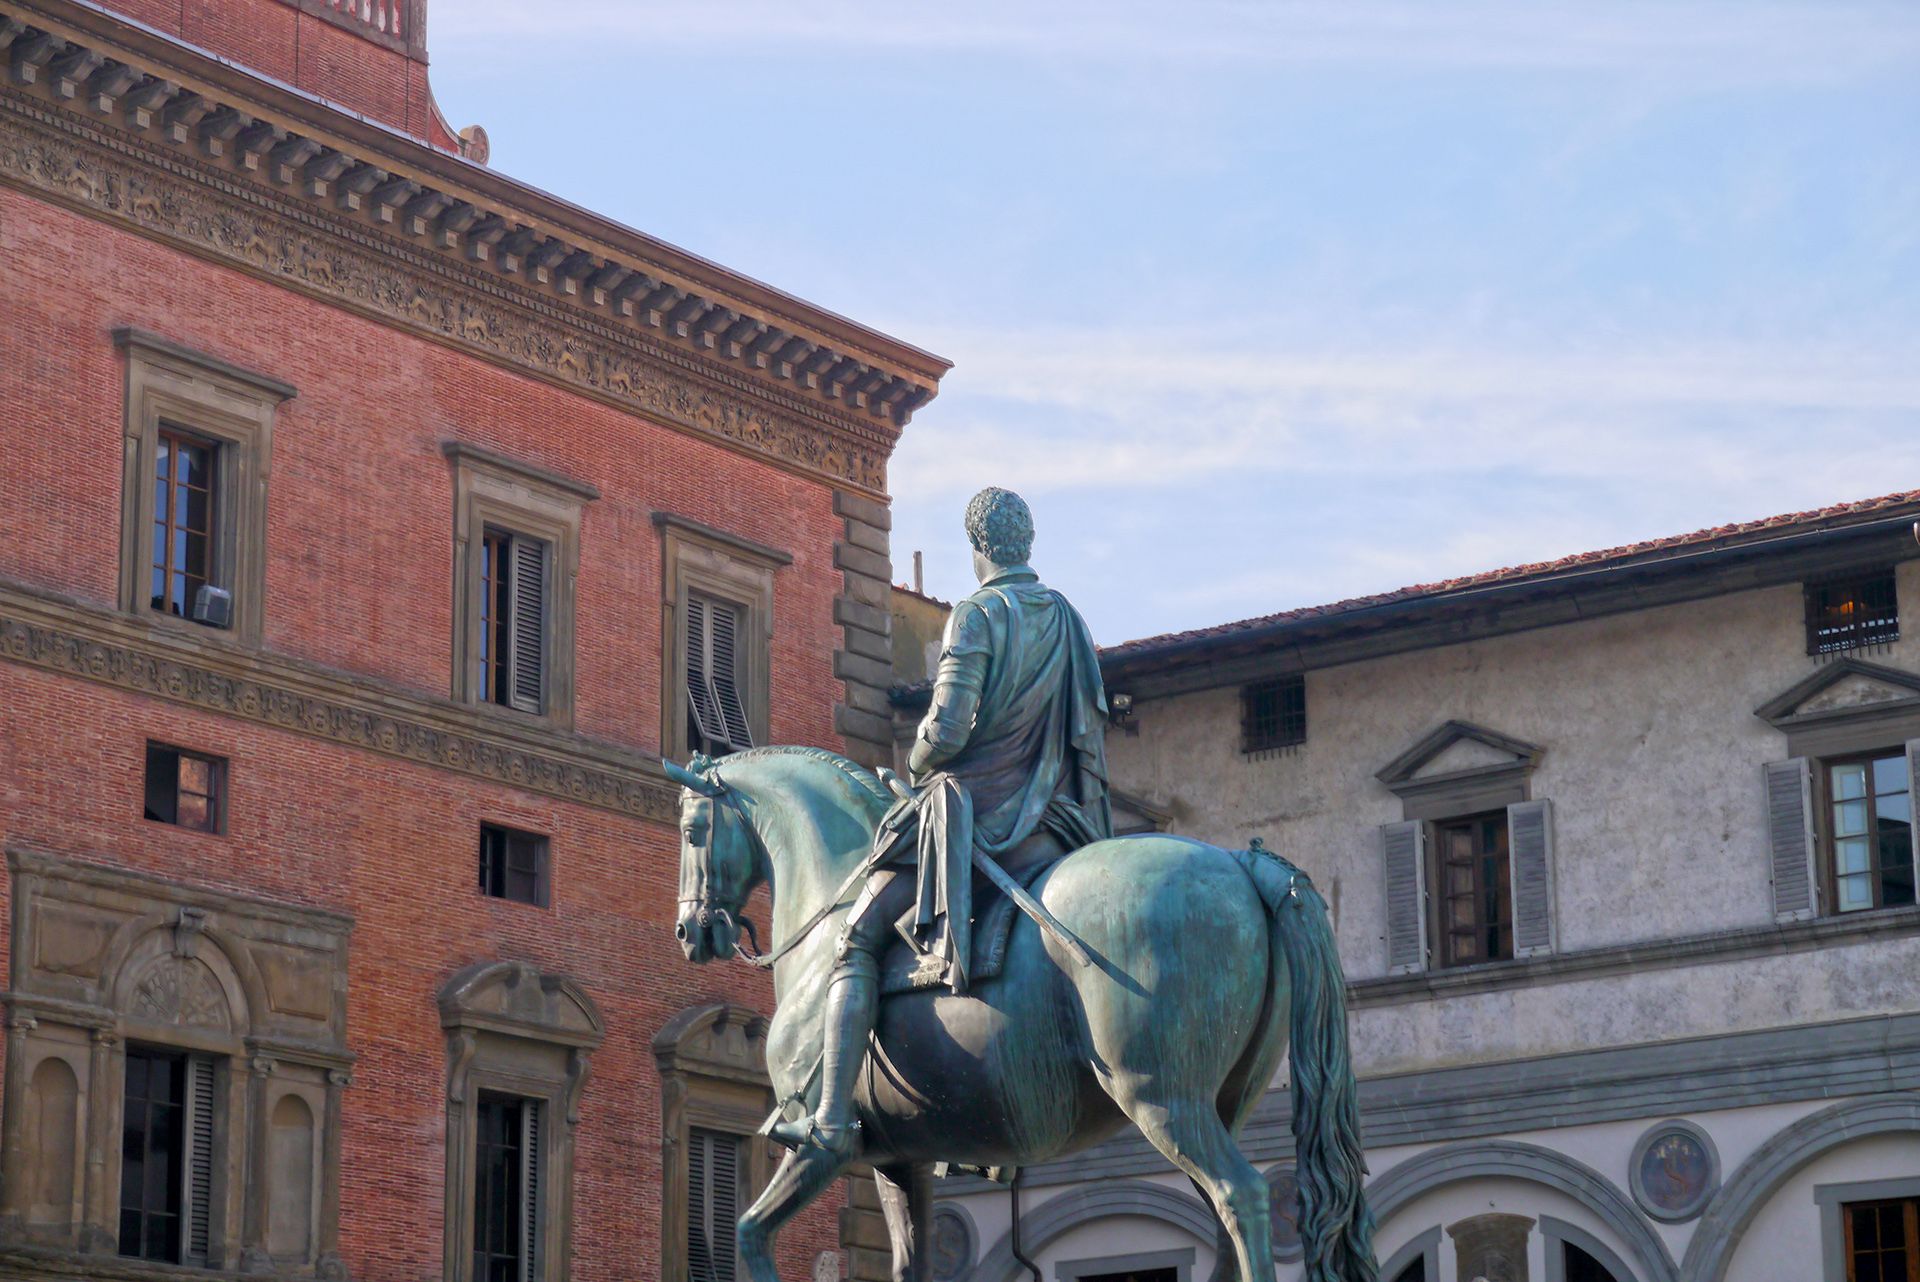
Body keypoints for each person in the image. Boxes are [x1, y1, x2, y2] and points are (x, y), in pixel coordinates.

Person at [769, 487, 1112, 1154]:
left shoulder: (977, 616)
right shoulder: (1067, 619)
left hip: (982, 821)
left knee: (855, 940)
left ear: (979, 548)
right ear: (1025, 542)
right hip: (1054, 826)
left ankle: (832, 1119)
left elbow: (949, 729)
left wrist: (921, 749)